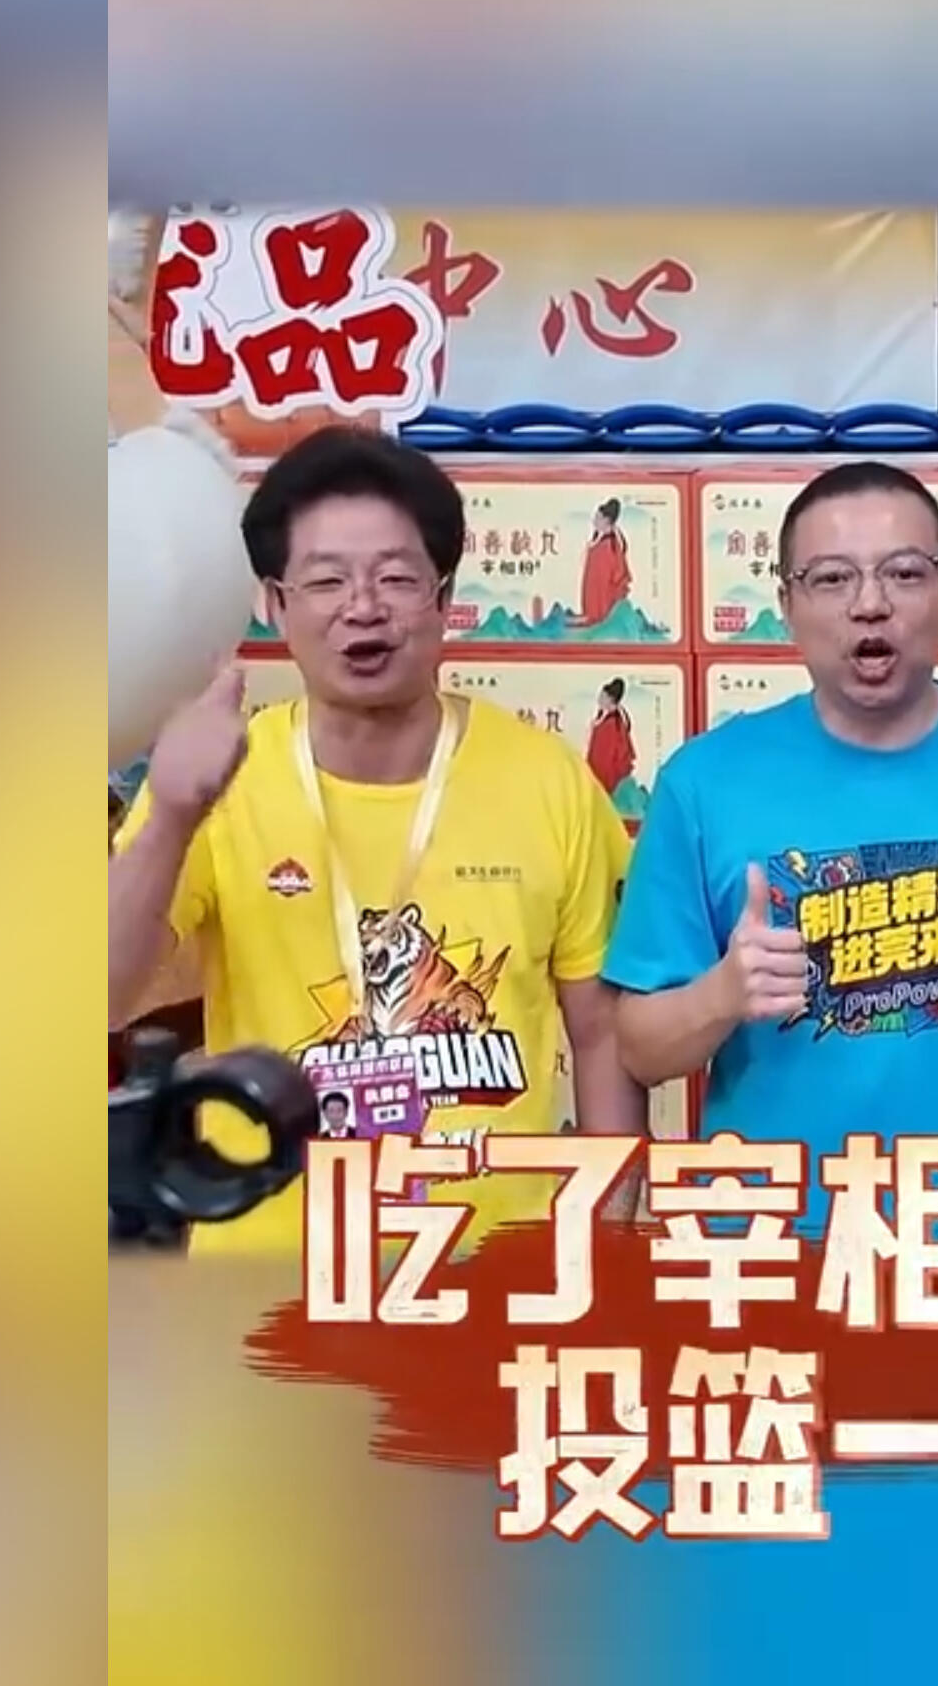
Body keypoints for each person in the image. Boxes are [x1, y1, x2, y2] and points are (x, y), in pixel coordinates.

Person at [111, 426, 643, 1255]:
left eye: (396, 577)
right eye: (326, 580)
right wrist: (174, 815)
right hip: (267, 1274)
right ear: (274, 604)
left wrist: (607, 1244)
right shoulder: (219, 783)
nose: (363, 607)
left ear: (444, 596)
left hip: (499, 1270)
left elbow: (603, 1035)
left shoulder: (550, 781)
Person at [603, 460, 938, 1176]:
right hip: (771, 1226)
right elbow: (638, 1050)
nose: (870, 604)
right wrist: (721, 996)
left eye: (905, 573)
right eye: (831, 578)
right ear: (787, 604)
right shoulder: (703, 782)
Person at [579, 497, 633, 627]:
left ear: (606, 520)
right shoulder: (601, 542)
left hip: (604, 599)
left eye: (598, 518)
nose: (594, 521)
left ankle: (598, 615)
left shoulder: (608, 546)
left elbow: (606, 580)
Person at [584, 676, 638, 799]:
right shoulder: (608, 718)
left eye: (603, 696)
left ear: (610, 699)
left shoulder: (611, 725)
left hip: (607, 777)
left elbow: (605, 758)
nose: (599, 699)